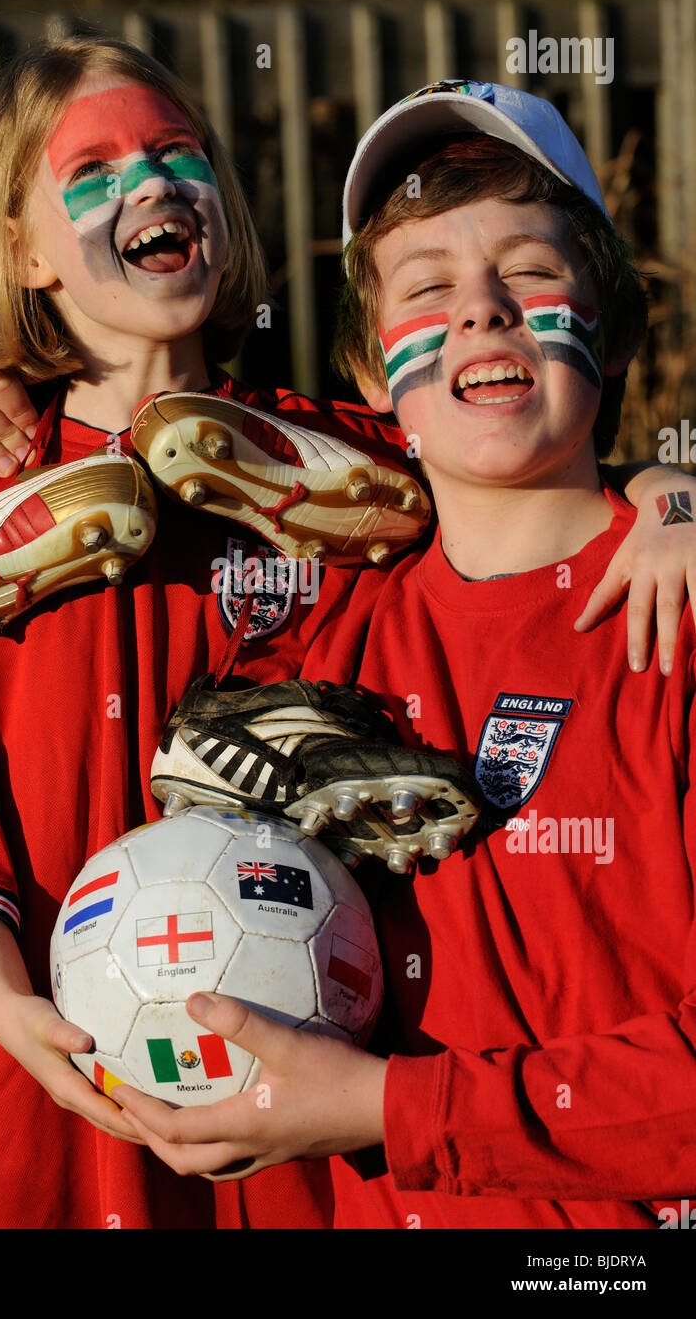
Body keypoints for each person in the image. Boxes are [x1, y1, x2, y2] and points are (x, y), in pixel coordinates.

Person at [0, 35, 438, 1230]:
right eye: (98, 170)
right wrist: (10, 1011)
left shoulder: (351, 463)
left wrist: (661, 501)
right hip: (31, 1042)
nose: (154, 186)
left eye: (179, 156)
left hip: (296, 1029)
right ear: (22, 253)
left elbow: (537, 496)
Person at [86, 82, 696, 1232]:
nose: (480, 312)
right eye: (427, 289)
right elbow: (89, 430)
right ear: (373, 382)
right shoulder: (321, 631)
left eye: (527, 270)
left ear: (604, 324)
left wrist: (385, 1104)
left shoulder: (678, 613)